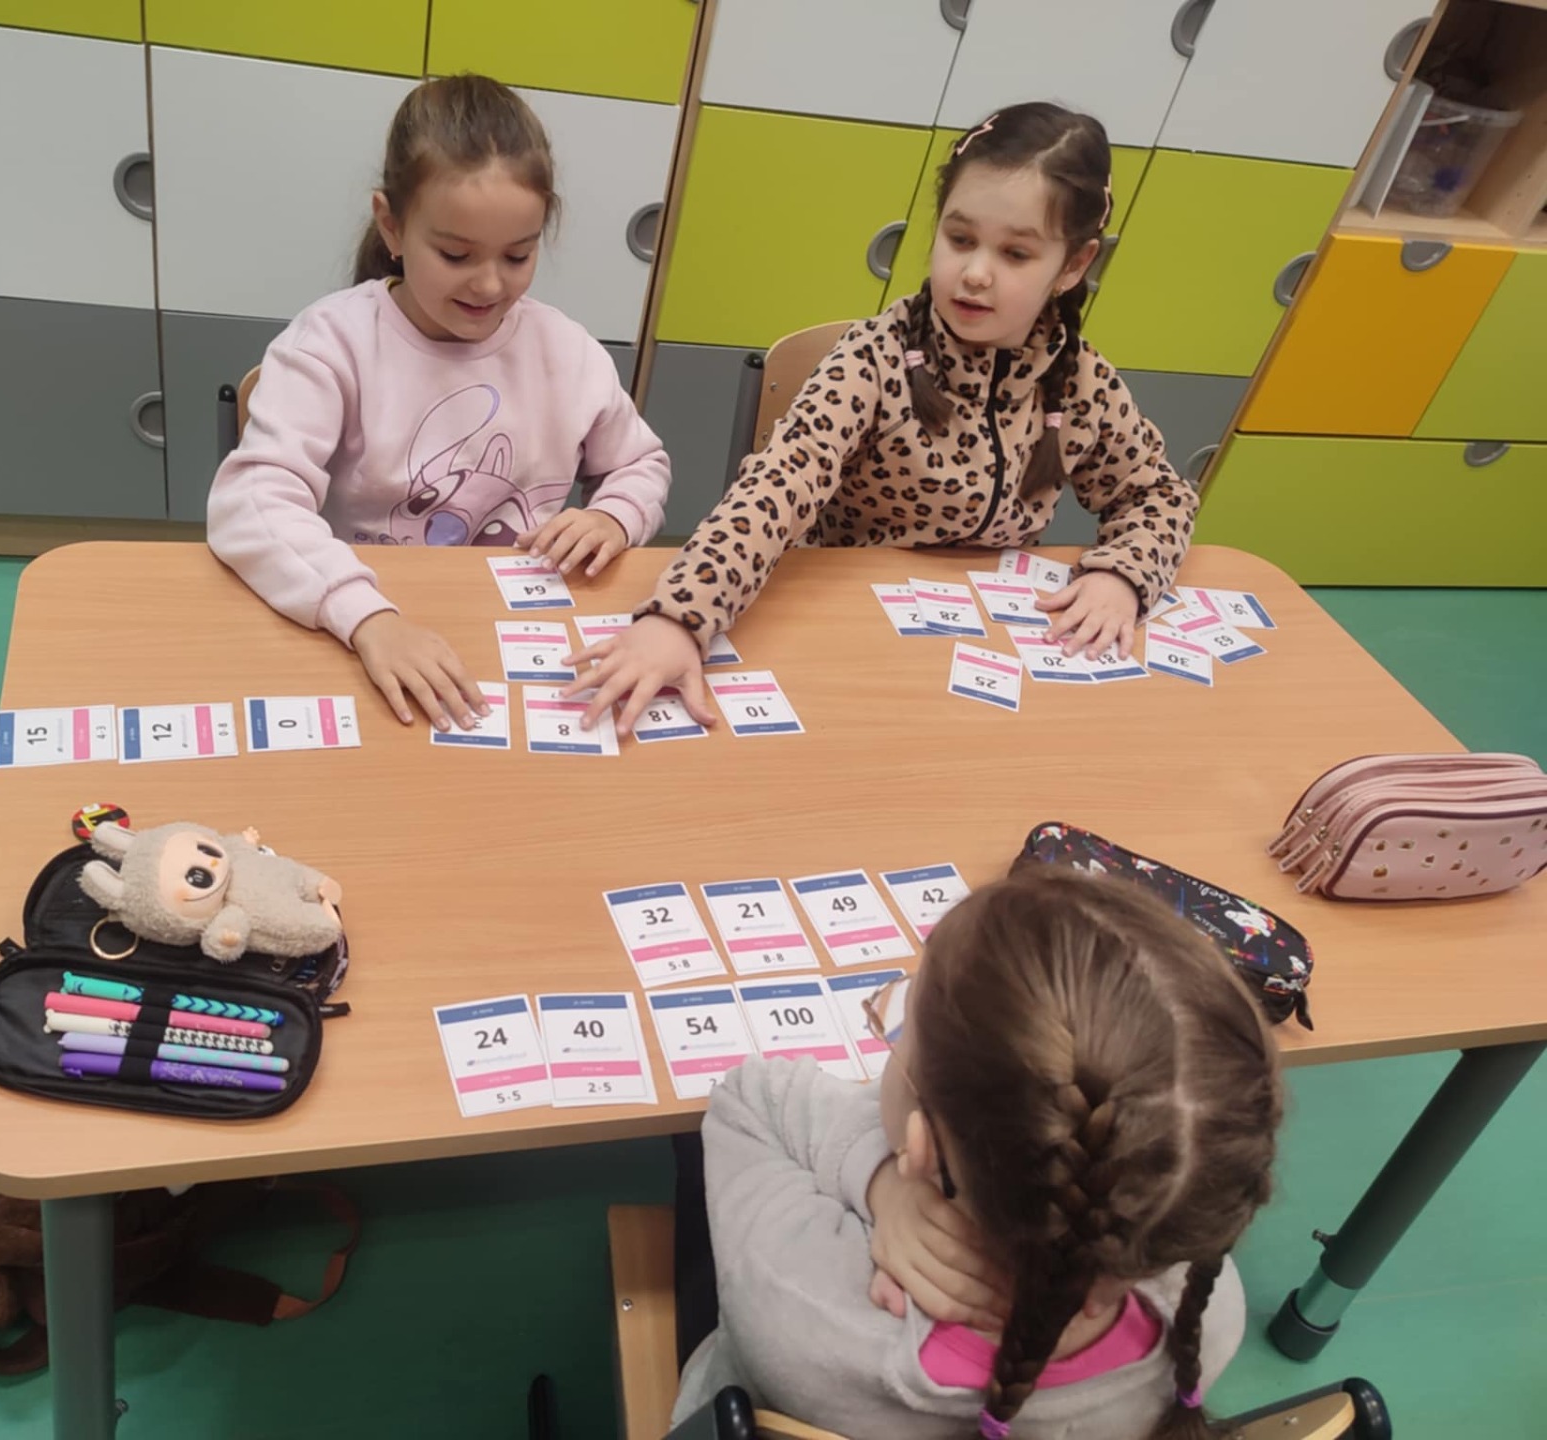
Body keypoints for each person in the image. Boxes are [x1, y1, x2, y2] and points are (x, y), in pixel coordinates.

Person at [568, 103, 1195, 735]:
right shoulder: (875, 358)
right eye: (960, 239)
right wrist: (680, 617)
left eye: (1015, 253)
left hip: (980, 653)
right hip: (845, 635)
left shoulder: (1080, 380)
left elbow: (1158, 494)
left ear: (1074, 266)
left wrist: (1123, 575)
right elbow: (777, 485)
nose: (975, 273)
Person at [675, 867, 1283, 1439]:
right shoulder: (1210, 1313)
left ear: (921, 1144)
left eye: (898, 1026)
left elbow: (749, 1101)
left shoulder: (804, 1309)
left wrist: (882, 1181)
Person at [208, 74, 671, 731]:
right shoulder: (331, 344)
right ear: (392, 226)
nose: (489, 285)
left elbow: (641, 464)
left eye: (518, 255)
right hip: (362, 630)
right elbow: (253, 501)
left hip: (515, 636)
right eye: (455, 255)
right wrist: (367, 618)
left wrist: (613, 516)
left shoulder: (565, 351)